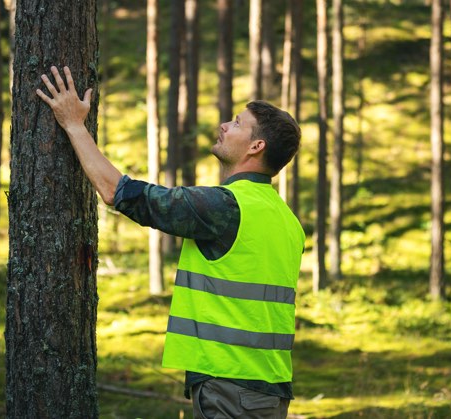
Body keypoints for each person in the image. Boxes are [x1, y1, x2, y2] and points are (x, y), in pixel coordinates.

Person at [37, 66, 304, 419]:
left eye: (238, 123)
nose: (225, 125)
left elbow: (119, 192)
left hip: (230, 386)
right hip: (266, 388)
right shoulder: (287, 220)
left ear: (257, 146)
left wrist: (73, 125)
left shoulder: (226, 207)